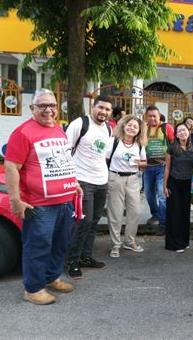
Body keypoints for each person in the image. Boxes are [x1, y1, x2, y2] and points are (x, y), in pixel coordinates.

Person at [4, 88, 80, 305]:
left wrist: (73, 184)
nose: (48, 110)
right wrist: (15, 199)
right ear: (32, 108)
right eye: (42, 106)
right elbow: (11, 168)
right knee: (37, 247)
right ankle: (33, 288)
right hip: (38, 205)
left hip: (64, 202)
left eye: (52, 105)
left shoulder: (57, 129)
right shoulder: (23, 133)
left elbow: (63, 160)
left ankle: (51, 277)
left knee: (59, 244)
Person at [65, 95, 113, 280]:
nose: (104, 112)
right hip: (82, 181)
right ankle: (72, 261)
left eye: (107, 109)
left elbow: (104, 155)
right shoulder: (80, 123)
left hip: (101, 181)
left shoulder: (108, 128)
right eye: (101, 107)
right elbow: (65, 151)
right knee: (83, 222)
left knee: (94, 222)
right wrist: (73, 179)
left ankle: (85, 256)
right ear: (92, 107)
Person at [106, 115, 147, 258]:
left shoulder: (139, 144)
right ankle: (115, 244)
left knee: (135, 211)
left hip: (133, 179)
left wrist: (140, 164)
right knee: (115, 213)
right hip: (115, 178)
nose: (132, 128)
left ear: (139, 130)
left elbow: (144, 163)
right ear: (123, 125)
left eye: (135, 127)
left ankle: (129, 241)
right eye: (129, 125)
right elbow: (105, 159)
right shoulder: (113, 141)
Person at [163, 122, 193, 252]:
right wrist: (164, 186)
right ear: (176, 135)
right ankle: (173, 244)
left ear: (188, 132)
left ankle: (184, 241)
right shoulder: (172, 148)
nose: (182, 132)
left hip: (188, 183)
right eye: (179, 131)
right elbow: (167, 168)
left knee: (185, 212)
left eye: (184, 130)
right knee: (174, 213)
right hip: (174, 182)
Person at [143, 105, 174, 234]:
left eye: (154, 116)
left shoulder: (166, 127)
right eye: (149, 116)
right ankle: (155, 213)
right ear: (146, 116)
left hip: (163, 167)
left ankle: (163, 224)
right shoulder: (144, 128)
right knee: (149, 194)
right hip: (147, 167)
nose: (152, 118)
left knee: (162, 195)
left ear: (159, 115)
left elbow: (173, 144)